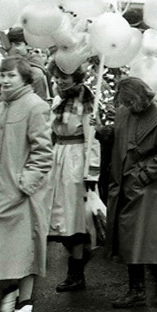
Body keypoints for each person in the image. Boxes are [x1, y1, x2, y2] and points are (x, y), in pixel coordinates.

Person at [0, 56, 53, 312]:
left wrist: (24, 184)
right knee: (1, 248)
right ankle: (11, 290)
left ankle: (25, 305)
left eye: (11, 76)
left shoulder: (35, 106)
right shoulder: (1, 107)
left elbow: (43, 153)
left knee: (24, 249)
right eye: (3, 75)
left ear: (25, 79)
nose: (5, 80)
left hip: (21, 194)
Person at [105, 77, 157, 308]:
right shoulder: (126, 112)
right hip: (126, 182)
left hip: (145, 187)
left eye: (128, 101)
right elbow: (120, 136)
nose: (126, 105)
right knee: (131, 239)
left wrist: (142, 176)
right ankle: (140, 287)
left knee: (140, 239)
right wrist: (103, 133)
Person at [46, 62, 100, 293]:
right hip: (58, 158)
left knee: (75, 218)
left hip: (76, 161)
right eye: (56, 77)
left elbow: (92, 137)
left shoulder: (85, 101)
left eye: (64, 77)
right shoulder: (59, 99)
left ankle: (76, 271)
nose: (59, 81)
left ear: (75, 77)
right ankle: (77, 261)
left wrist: (91, 171)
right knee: (61, 217)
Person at [6, 27, 52, 101]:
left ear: (27, 45)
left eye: (17, 44)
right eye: (10, 44)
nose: (13, 48)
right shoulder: (6, 65)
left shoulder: (34, 72)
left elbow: (40, 102)